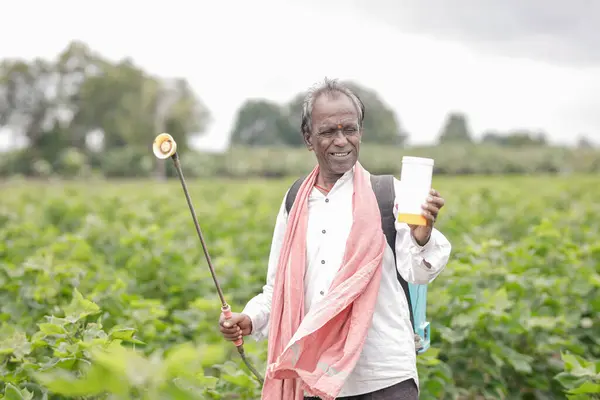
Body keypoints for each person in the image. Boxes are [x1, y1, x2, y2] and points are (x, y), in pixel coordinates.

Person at [219, 78, 452, 400]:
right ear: (308, 139)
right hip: (316, 375)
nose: (341, 141)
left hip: (383, 376)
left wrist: (422, 235)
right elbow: (279, 290)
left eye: (350, 130)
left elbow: (419, 273)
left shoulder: (389, 193)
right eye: (329, 132)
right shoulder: (296, 201)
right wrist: (249, 318)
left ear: (360, 134)